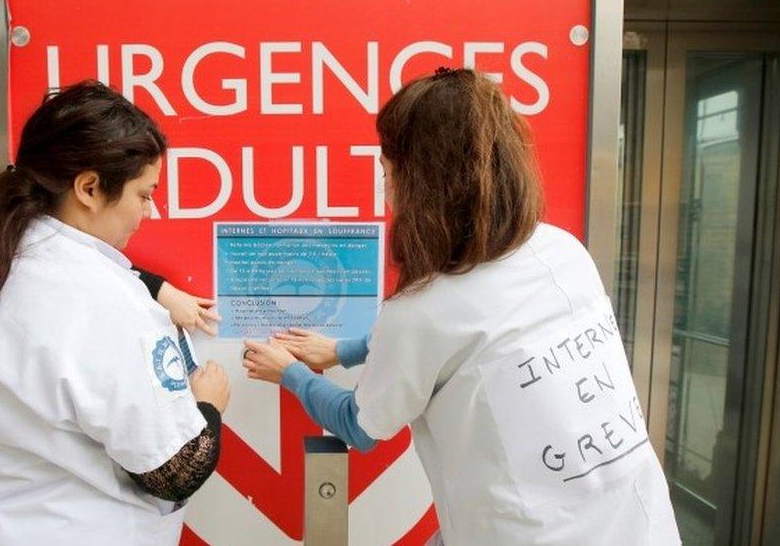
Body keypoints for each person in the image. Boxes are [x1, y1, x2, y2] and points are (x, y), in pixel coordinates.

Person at [242, 68, 681, 545]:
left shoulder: (421, 310)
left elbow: (360, 424)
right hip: (636, 522)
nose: (387, 190)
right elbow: (479, 335)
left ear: (420, 181)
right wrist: (345, 350)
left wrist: (288, 372)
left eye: (387, 171)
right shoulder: (562, 251)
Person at [0, 81, 229, 545]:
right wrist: (208, 403)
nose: (148, 213)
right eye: (144, 195)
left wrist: (156, 290)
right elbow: (175, 471)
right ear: (89, 187)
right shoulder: (104, 301)